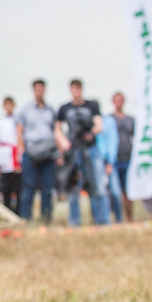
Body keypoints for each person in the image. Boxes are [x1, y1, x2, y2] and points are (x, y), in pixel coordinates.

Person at [55, 79, 109, 227]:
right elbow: (57, 129)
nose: (76, 91)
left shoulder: (92, 105)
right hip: (73, 151)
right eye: (74, 89)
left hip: (91, 148)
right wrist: (64, 143)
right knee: (73, 187)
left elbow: (99, 125)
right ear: (70, 90)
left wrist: (90, 132)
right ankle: (74, 222)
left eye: (79, 88)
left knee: (98, 185)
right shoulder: (64, 108)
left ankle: (102, 221)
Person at [16, 79, 58, 224]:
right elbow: (19, 129)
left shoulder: (51, 109)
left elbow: (56, 130)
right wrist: (21, 147)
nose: (40, 91)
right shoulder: (26, 109)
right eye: (37, 88)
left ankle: (46, 218)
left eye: (42, 88)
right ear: (33, 90)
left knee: (47, 188)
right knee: (29, 187)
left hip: (48, 153)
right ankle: (26, 219)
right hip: (31, 152)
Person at [0, 96, 21, 214]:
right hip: (5, 157)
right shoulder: (1, 122)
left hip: (16, 157)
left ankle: (18, 211)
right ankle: (7, 210)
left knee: (17, 188)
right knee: (6, 188)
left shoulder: (19, 120)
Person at [107, 92, 135, 222]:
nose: (119, 102)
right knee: (114, 192)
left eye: (121, 100)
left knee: (128, 191)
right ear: (113, 102)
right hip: (114, 160)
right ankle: (117, 218)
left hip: (128, 158)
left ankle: (129, 217)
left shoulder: (131, 120)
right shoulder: (108, 119)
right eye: (116, 100)